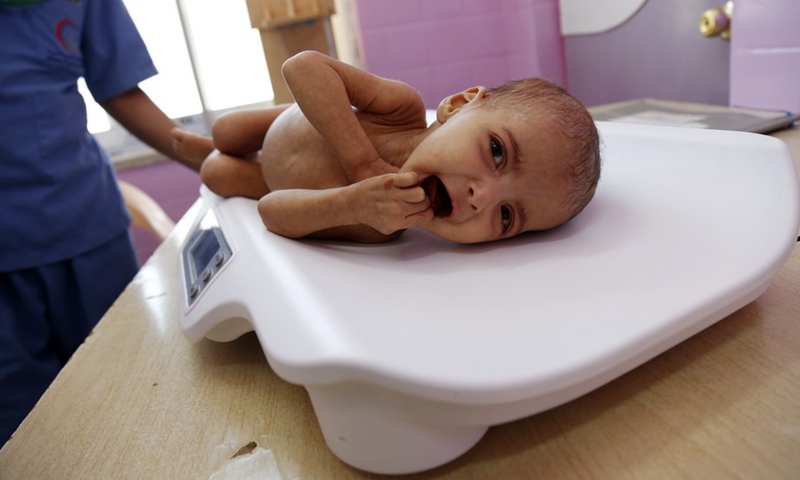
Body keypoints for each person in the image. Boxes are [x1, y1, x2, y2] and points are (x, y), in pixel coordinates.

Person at [0, 0, 200, 444]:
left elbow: (119, 89)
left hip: (87, 227)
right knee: (21, 426)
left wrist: (218, 163)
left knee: (130, 385)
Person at [174, 51, 600, 245]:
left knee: (217, 174)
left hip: (273, 180)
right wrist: (362, 162)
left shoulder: (380, 223)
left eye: (506, 216)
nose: (481, 197)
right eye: (496, 151)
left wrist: (351, 205)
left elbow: (271, 211)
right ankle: (204, 142)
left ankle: (204, 156)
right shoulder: (400, 109)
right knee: (227, 131)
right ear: (457, 105)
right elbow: (303, 67)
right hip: (289, 123)